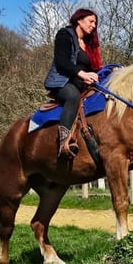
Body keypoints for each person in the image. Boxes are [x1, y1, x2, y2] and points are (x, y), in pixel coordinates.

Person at [44, 8, 103, 158]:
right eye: (91, 21)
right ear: (79, 20)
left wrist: (110, 71)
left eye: (95, 23)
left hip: (81, 84)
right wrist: (82, 74)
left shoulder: (88, 44)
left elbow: (94, 69)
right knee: (72, 96)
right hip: (61, 82)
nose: (93, 25)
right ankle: (63, 143)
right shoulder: (65, 35)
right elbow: (62, 61)